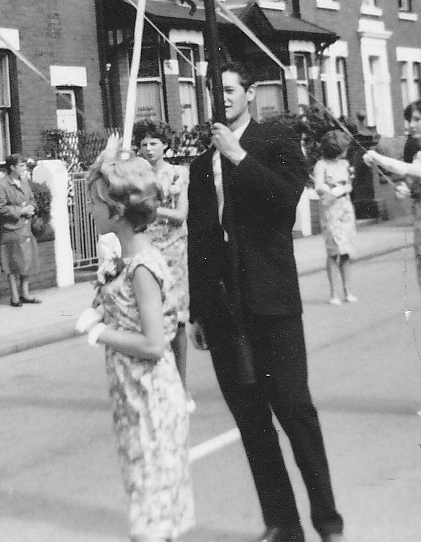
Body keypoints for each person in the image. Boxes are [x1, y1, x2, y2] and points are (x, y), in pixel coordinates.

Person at [187, 63, 345, 542]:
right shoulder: (199, 164)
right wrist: (197, 308)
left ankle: (328, 522)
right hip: (222, 309)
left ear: (250, 94)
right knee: (251, 420)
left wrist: (237, 157)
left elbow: (283, 205)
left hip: (270, 302)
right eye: (216, 91)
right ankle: (282, 522)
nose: (224, 98)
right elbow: (200, 238)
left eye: (231, 90)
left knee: (295, 411)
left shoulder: (275, 142)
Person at [75, 135, 194, 542]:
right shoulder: (123, 259)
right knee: (143, 501)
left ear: (118, 210)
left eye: (95, 202)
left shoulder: (143, 265)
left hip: (152, 401)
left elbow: (154, 343)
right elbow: (115, 302)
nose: (89, 208)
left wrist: (99, 332)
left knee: (152, 515)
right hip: (130, 396)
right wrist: (98, 307)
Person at [364, 99, 421, 426]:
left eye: (419, 118)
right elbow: (411, 185)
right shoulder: (417, 156)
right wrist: (399, 185)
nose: (413, 124)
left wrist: (381, 158)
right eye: (410, 119)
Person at [135, 123, 192, 401]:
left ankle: (181, 385)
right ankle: (157, 384)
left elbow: (181, 215)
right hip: (147, 250)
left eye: (153, 143)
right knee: (150, 319)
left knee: (178, 318)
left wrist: (153, 210)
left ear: (165, 146)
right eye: (144, 144)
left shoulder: (178, 173)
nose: (148, 149)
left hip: (174, 252)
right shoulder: (137, 177)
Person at [313, 131, 357, 305]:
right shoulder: (321, 165)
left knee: (345, 251)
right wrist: (328, 189)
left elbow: (350, 185)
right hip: (330, 210)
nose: (346, 151)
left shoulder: (345, 163)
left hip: (345, 210)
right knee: (333, 252)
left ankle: (348, 291)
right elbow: (318, 185)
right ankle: (333, 293)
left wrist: (344, 189)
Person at [0, 154, 40, 307]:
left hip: (26, 227)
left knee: (26, 261)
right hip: (11, 229)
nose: (24, 169)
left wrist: (32, 207)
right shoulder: (1, 185)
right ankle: (14, 296)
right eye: (21, 166)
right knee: (13, 262)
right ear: (12, 167)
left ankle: (25, 293)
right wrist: (21, 210)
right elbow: (1, 208)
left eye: (25, 166)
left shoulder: (24, 182)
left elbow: (32, 198)